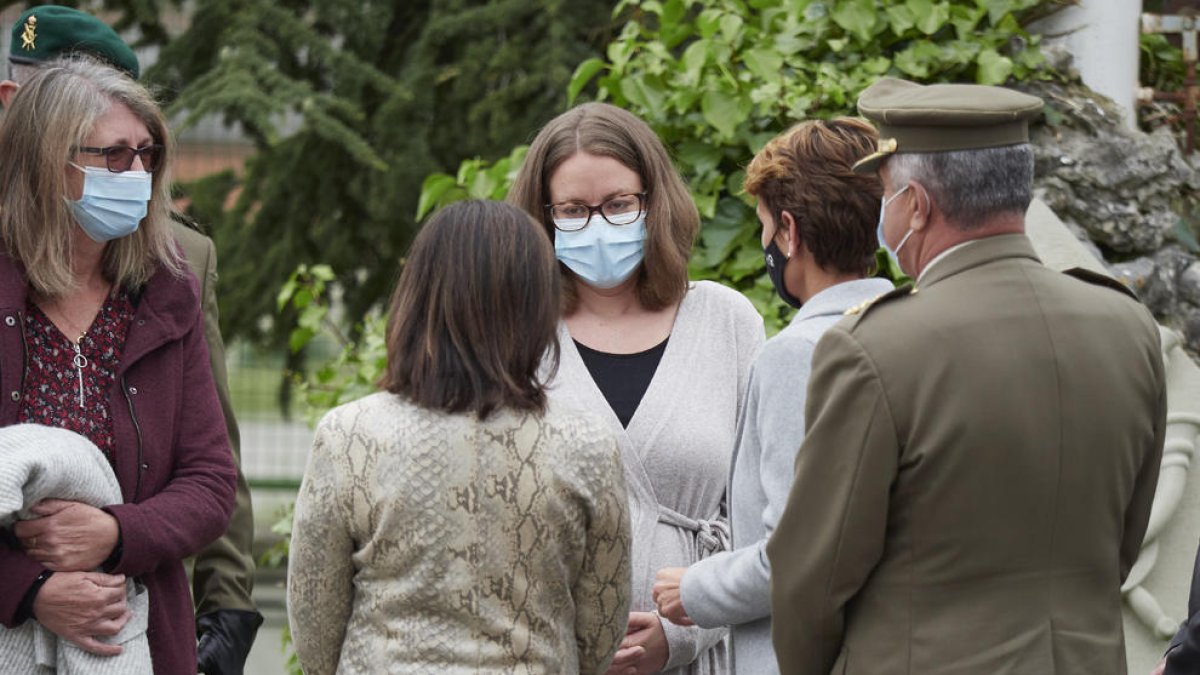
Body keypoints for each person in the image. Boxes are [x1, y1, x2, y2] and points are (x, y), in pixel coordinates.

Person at [766, 76, 1167, 675]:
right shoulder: (1127, 326)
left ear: (919, 206)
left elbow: (812, 580)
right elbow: (1122, 545)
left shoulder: (875, 347)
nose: (883, 211)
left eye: (886, 194)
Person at [1, 7, 263, 672]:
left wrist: (116, 533)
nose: (136, 174)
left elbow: (210, 476)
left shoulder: (167, 285)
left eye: (146, 155)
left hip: (139, 635)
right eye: (114, 156)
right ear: (46, 159)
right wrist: (30, 590)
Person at [287, 200, 632, 675]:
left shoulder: (349, 437)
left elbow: (316, 626)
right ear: (536, 305)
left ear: (416, 297)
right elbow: (599, 630)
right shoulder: (587, 442)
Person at [508, 102, 765, 675]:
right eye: (573, 210)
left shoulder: (726, 322)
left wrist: (681, 633)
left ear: (654, 201)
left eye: (619, 204)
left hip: (701, 656)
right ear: (542, 216)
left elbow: (763, 521)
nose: (597, 224)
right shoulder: (516, 334)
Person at [651, 118, 894, 674]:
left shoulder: (799, 354)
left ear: (789, 231)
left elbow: (800, 553)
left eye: (764, 225)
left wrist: (694, 588)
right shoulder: (917, 331)